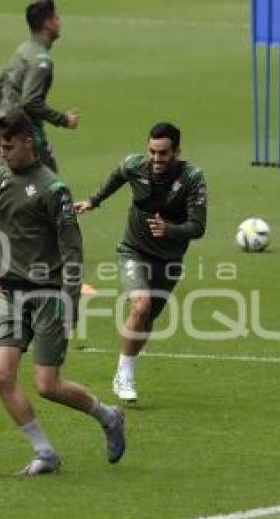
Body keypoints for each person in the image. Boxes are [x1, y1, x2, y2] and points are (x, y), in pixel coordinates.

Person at [0, 109, 125, 475]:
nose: (3, 153)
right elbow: (7, 224)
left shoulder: (53, 189)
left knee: (47, 384)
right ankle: (45, 453)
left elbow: (72, 249)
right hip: (12, 294)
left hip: (49, 296)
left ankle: (108, 415)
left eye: (8, 146)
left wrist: (71, 302)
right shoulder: (3, 176)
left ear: (29, 141)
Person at [74, 122, 208, 403]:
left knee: (145, 320)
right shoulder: (135, 165)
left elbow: (198, 227)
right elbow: (115, 177)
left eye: (164, 153)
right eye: (153, 152)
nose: (157, 159)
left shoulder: (192, 178)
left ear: (177, 152)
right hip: (133, 251)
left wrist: (170, 230)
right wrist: (93, 201)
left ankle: (128, 367)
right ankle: (123, 374)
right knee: (141, 305)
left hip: (169, 261)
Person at [0, 0, 78, 173]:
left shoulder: (23, 50)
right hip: (23, 135)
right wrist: (64, 120)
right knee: (49, 187)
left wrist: (5, 118)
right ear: (48, 23)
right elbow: (31, 102)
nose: (59, 22)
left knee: (14, 188)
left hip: (3, 131)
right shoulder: (41, 61)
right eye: (56, 18)